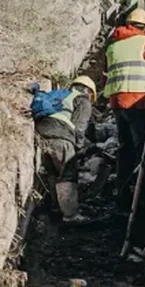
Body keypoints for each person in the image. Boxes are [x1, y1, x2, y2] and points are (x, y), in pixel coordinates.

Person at [101, 8, 145, 208]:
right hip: (140, 101)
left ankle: (121, 191)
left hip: (117, 103)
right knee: (142, 147)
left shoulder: (113, 47)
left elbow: (105, 78)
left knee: (125, 146)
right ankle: (144, 195)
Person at [33, 76, 95, 222]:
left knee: (53, 173)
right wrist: (79, 148)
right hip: (61, 136)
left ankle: (56, 209)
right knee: (68, 174)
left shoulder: (61, 95)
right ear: (89, 91)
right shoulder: (83, 100)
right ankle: (71, 215)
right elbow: (79, 128)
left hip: (43, 134)